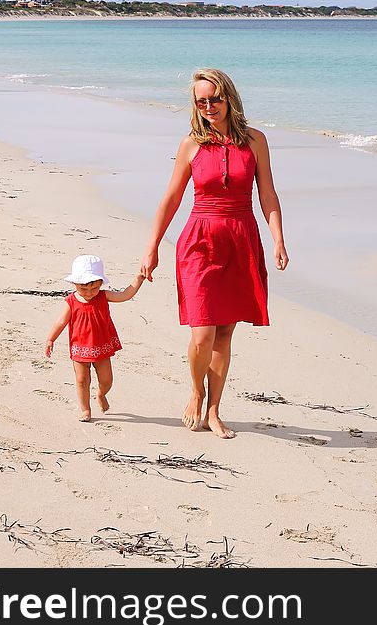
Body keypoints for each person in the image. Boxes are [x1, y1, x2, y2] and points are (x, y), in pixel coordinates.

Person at [141, 68, 289, 439]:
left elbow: (267, 195)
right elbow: (172, 199)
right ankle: (196, 390)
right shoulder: (191, 144)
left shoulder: (256, 141)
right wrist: (152, 247)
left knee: (224, 333)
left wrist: (278, 239)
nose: (209, 106)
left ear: (230, 97)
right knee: (203, 332)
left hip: (241, 239)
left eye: (215, 98)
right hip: (199, 241)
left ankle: (215, 410)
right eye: (201, 101)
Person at [45, 254, 145, 422]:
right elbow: (61, 321)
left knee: (107, 380)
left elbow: (125, 295)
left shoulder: (104, 296)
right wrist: (50, 339)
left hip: (102, 346)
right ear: (74, 283)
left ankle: (101, 394)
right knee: (82, 380)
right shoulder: (71, 301)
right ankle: (85, 409)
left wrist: (138, 280)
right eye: (84, 289)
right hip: (80, 347)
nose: (89, 293)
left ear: (100, 283)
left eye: (94, 288)